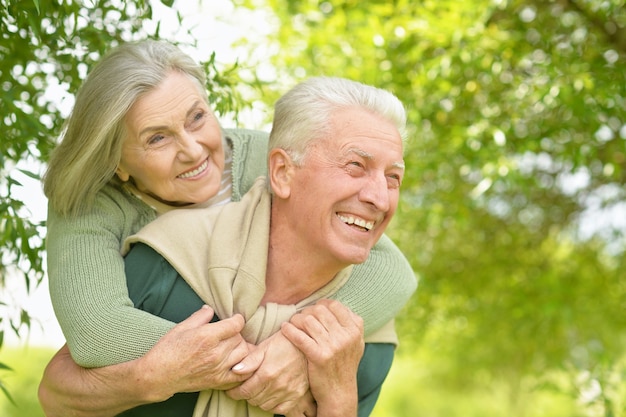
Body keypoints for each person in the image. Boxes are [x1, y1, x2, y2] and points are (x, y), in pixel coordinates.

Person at [38, 40, 416, 415]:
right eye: (157, 137)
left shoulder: (264, 158)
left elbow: (392, 269)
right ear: (117, 161)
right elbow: (97, 333)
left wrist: (297, 347)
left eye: (197, 117)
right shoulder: (89, 203)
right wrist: (256, 369)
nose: (193, 149)